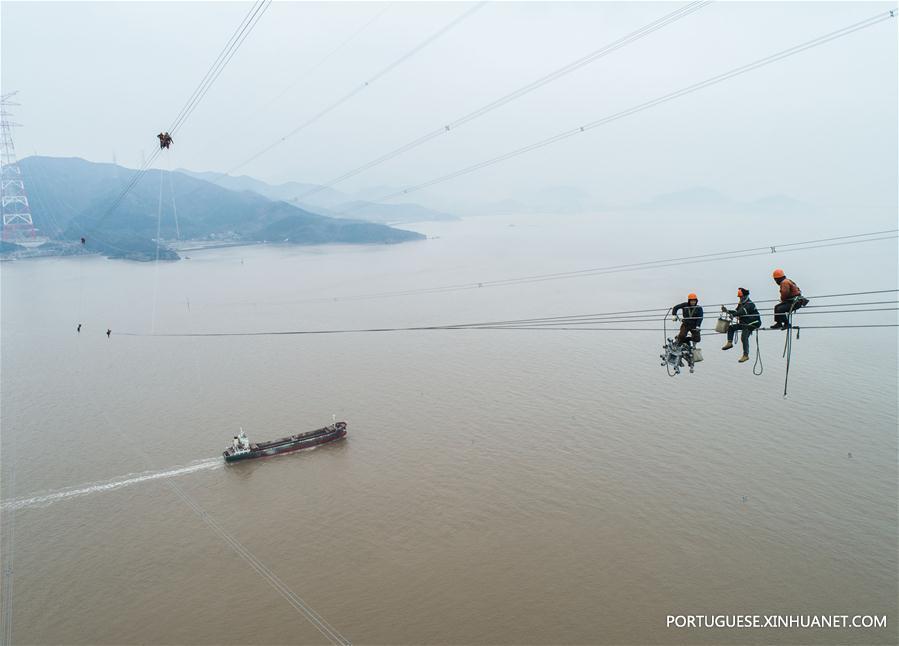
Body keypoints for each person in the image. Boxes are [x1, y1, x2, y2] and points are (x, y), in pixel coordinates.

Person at [721, 287, 761, 362]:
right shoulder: (741, 303)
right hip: (745, 323)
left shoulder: (749, 304)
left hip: (754, 322)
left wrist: (734, 314)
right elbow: (736, 311)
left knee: (744, 337)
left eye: (741, 297)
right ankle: (729, 343)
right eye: (739, 297)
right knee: (731, 327)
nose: (740, 298)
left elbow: (742, 312)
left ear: (745, 296)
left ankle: (746, 355)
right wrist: (727, 311)